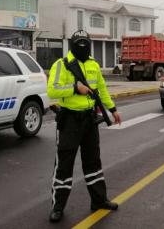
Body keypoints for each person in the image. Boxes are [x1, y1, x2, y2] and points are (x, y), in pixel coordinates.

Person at [47, 30, 122, 223]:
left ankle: (99, 200)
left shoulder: (93, 65)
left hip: (90, 120)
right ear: (72, 45)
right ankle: (58, 206)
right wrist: (75, 88)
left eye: (85, 43)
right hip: (69, 121)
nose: (82, 46)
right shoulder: (61, 65)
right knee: (64, 164)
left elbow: (102, 89)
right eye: (78, 43)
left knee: (93, 162)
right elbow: (52, 90)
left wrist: (113, 109)